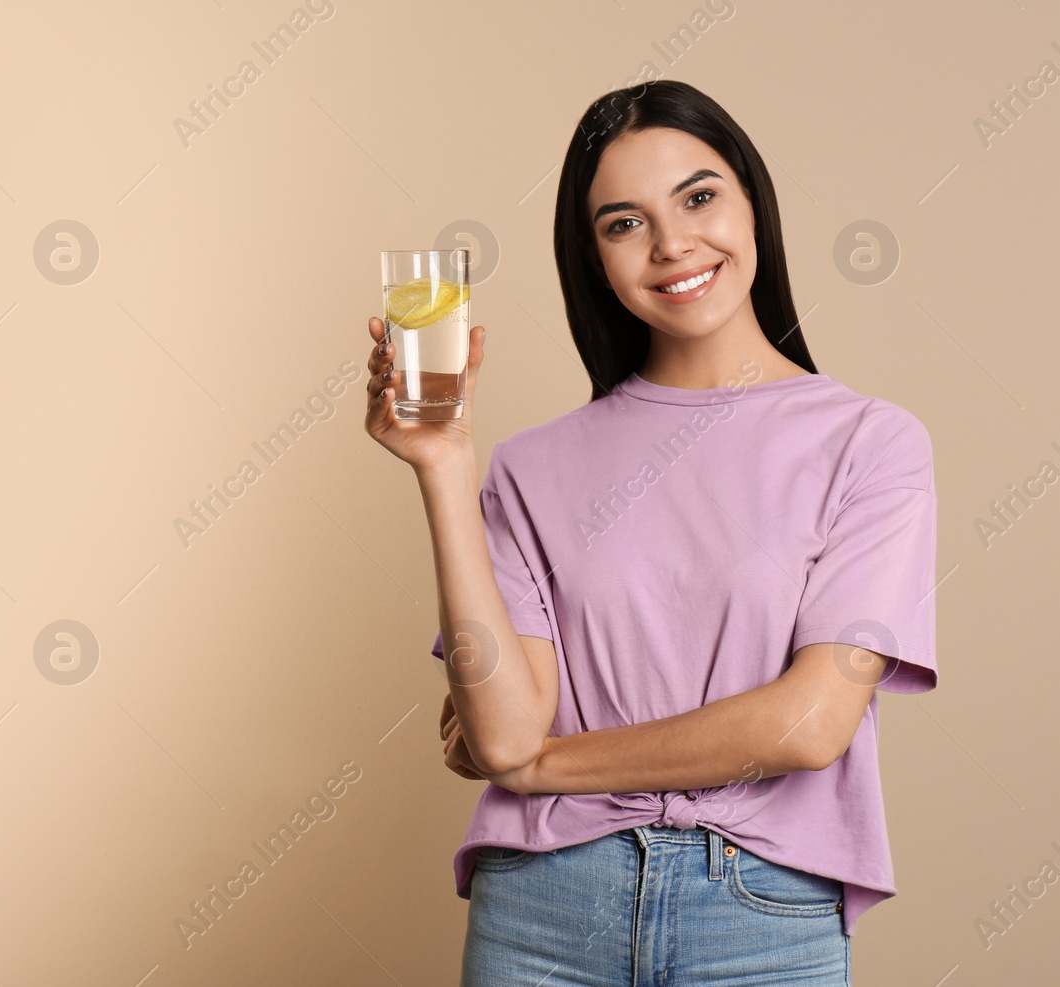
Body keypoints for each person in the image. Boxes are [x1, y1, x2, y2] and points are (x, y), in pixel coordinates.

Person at [363, 79, 938, 984]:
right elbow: (505, 721)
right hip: (541, 914)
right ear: (591, 255)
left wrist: (540, 765)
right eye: (623, 222)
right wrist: (444, 466)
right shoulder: (527, 467)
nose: (673, 244)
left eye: (699, 196)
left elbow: (808, 722)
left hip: (761, 917)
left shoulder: (870, 443)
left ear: (753, 201)